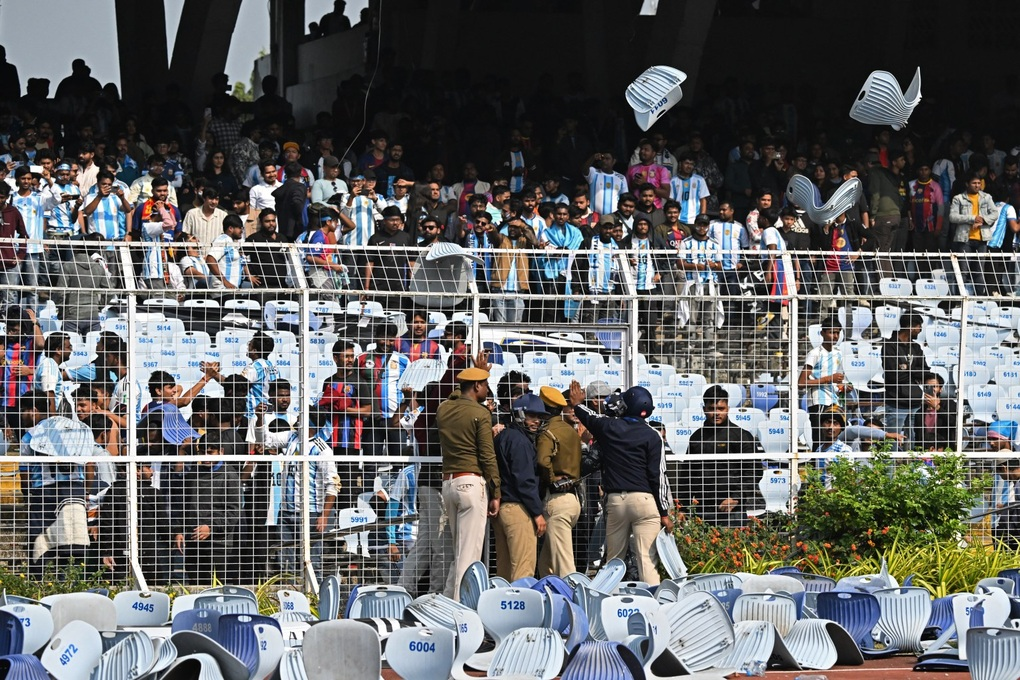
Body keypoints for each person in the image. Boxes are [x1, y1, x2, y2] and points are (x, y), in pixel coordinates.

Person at [567, 381, 673, 585]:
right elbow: (658, 477)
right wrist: (664, 513)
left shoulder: (610, 426)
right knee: (647, 561)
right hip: (645, 501)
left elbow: (590, 417)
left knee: (614, 562)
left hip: (616, 501)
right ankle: (653, 601)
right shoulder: (653, 435)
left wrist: (578, 404)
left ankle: (609, 599)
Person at [437, 365, 500, 600]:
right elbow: (487, 455)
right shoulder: (481, 413)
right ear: (477, 385)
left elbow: (456, 396)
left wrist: (471, 378)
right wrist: (496, 491)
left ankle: (446, 602)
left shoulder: (444, 409)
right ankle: (459, 608)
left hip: (449, 483)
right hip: (471, 483)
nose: (487, 390)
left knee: (460, 552)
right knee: (468, 556)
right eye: (485, 385)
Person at [678, 385, 759, 526]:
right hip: (702, 508)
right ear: (704, 409)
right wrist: (683, 507)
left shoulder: (741, 436)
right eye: (711, 409)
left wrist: (736, 497)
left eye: (721, 408)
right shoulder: (696, 437)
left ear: (728, 409)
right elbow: (687, 475)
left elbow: (754, 471)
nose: (716, 413)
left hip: (732, 509)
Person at [172, 430, 242, 584]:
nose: (205, 457)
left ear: (221, 452)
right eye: (202, 452)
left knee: (217, 588)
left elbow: (234, 512)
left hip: (219, 544)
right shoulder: (193, 474)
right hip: (193, 541)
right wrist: (178, 530)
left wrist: (211, 527)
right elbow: (182, 505)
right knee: (195, 587)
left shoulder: (230, 475)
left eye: (210, 452)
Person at [492, 393, 548, 581]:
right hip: (518, 509)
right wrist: (537, 513)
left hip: (502, 509)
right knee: (523, 571)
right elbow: (525, 481)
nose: (537, 421)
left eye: (539, 417)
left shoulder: (502, 437)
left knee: (504, 571)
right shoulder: (520, 441)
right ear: (520, 415)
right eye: (532, 416)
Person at [536, 386, 582, 577]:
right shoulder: (571, 431)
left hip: (556, 499)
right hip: (573, 499)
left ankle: (573, 594)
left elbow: (542, 461)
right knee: (546, 564)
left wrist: (551, 479)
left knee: (564, 567)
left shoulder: (547, 432)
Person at [881, 313, 931, 442]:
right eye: (919, 326)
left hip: (915, 403)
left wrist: (906, 368)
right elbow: (894, 376)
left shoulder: (916, 347)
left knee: (913, 440)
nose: (920, 330)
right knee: (892, 441)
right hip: (896, 403)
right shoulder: (889, 346)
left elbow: (925, 371)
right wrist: (914, 373)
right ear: (910, 327)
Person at [949, 172, 999, 296]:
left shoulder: (986, 197)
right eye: (974, 183)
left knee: (979, 271)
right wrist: (972, 218)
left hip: (982, 238)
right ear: (967, 184)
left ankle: (979, 299)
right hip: (964, 239)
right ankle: (960, 299)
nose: (977, 185)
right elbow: (952, 216)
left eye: (979, 183)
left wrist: (982, 220)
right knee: (963, 271)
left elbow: (995, 213)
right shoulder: (958, 198)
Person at [798, 315, 846, 411]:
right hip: (818, 401)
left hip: (836, 402)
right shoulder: (815, 353)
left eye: (838, 333)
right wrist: (828, 379)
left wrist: (845, 388)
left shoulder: (839, 353)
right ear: (822, 333)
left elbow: (839, 381)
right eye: (832, 332)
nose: (835, 336)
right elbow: (801, 383)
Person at [911, 372, 957, 452]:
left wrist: (937, 407)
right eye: (927, 386)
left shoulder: (949, 404)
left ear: (940, 389)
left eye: (934, 386)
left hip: (945, 449)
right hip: (925, 451)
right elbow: (918, 436)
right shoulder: (920, 411)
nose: (932, 389)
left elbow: (954, 423)